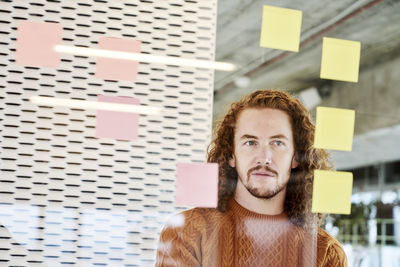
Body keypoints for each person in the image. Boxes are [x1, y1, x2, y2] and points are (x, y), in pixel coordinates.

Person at [156, 89, 348, 266]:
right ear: (231, 155)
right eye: (250, 142)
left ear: (296, 157)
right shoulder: (186, 233)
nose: (264, 158)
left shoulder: (326, 254)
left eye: (277, 143)